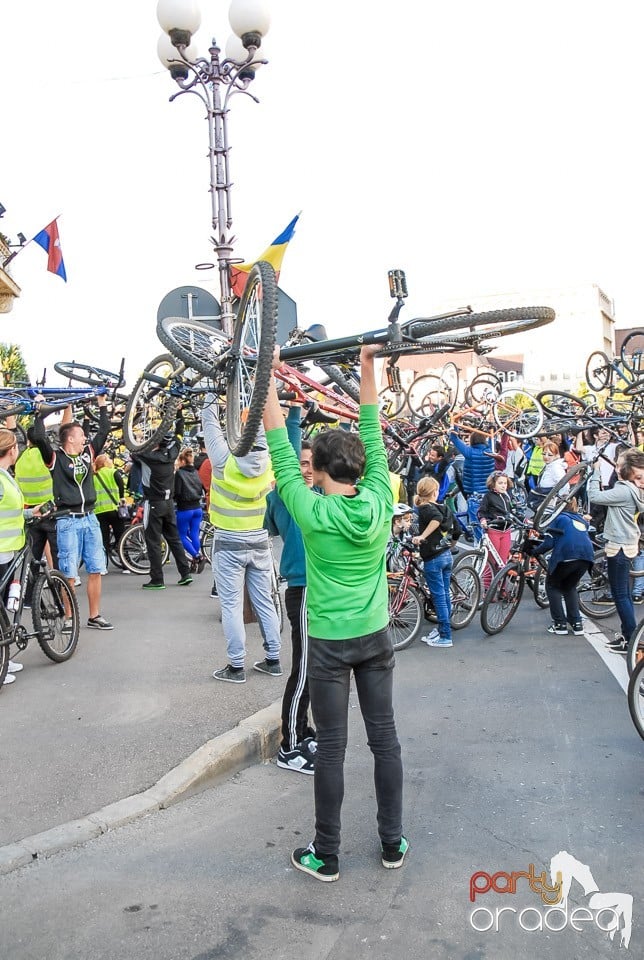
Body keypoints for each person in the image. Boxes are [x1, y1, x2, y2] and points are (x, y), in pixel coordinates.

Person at [263, 343, 406, 882]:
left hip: (326, 641)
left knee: (331, 750)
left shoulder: (308, 507)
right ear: (362, 469)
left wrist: (265, 375)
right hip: (374, 635)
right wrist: (367, 365)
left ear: (318, 470)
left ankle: (327, 855)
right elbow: (372, 426)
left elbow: (278, 439)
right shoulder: (380, 498)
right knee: (385, 739)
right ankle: (391, 844)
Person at [202, 394, 281, 683]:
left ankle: (236, 667)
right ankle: (273, 659)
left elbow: (210, 424)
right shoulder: (269, 461)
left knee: (232, 606)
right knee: (265, 602)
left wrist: (211, 394)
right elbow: (263, 429)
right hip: (260, 541)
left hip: (228, 542)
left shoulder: (225, 461)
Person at [31, 395, 114, 631]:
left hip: (90, 517)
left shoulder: (88, 452)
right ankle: (68, 616)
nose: (84, 437)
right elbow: (38, 436)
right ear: (69, 438)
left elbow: (105, 429)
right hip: (67, 519)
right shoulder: (55, 457)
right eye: (80, 434)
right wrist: (40, 411)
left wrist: (102, 404)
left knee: (96, 568)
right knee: (68, 572)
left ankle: (94, 615)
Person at [264, 410, 317, 774]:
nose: (308, 468)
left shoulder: (311, 498)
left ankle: (304, 730)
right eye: (302, 462)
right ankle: (290, 746)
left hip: (316, 590)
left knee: (314, 667)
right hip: (300, 590)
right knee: (302, 669)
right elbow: (285, 449)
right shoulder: (286, 496)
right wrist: (294, 415)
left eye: (313, 463)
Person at [0, 428, 48, 685]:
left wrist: (31, 515)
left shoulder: (6, 476)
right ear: (12, 450)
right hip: (1, 550)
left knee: (3, 607)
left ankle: (4, 657)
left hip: (8, 549)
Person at [587, 447, 644, 654]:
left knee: (620, 596)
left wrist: (595, 472)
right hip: (628, 545)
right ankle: (627, 635)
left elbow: (594, 496)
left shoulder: (623, 491)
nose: (616, 467)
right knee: (625, 595)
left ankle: (631, 639)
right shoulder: (635, 490)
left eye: (619, 465)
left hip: (618, 547)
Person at [130, 422, 194, 591]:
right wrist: (180, 416)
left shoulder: (147, 457)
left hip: (153, 503)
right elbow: (179, 435)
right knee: (174, 540)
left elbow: (132, 449)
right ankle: (185, 573)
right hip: (168, 504)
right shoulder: (172, 453)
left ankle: (157, 579)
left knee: (153, 542)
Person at [529, 500, 594, 635]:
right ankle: (577, 624)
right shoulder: (580, 520)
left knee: (553, 586)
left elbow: (549, 543)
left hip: (567, 556)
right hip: (586, 558)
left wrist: (534, 552)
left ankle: (560, 624)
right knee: (569, 587)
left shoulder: (558, 517)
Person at [13, 423, 59, 602]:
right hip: (49, 510)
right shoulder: (48, 455)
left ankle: (29, 597)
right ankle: (59, 596)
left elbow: (14, 435)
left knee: (32, 557)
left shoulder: (21, 455)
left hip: (30, 512)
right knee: (56, 557)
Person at [412, 476, 454, 648]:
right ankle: (443, 629)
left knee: (439, 598)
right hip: (446, 555)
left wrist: (422, 536)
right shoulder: (443, 507)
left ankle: (445, 636)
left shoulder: (425, 508)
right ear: (435, 492)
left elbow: (435, 519)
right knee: (444, 595)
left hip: (433, 558)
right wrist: (450, 544)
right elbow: (456, 529)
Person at [447, 428, 495, 541]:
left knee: (478, 529)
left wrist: (455, 423)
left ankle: (481, 553)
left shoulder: (469, 452)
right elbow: (494, 438)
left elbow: (453, 437)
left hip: (474, 495)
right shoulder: (491, 451)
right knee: (489, 526)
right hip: (489, 495)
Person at [477, 471, 514, 587]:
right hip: (494, 531)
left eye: (505, 483)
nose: (504, 486)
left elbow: (512, 512)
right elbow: (481, 511)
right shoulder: (488, 496)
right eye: (500, 483)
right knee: (491, 562)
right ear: (493, 484)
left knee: (502, 562)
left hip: (506, 532)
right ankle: (488, 589)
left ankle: (501, 587)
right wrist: (483, 520)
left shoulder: (507, 496)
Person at [174, 447, 206, 573]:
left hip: (185, 509)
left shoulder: (180, 474)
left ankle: (197, 556)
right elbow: (200, 489)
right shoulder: (196, 472)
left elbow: (177, 492)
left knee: (180, 535)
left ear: (182, 461)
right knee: (194, 534)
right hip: (197, 508)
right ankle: (195, 560)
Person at [93, 452, 127, 568]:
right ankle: (125, 564)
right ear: (105, 462)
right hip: (114, 509)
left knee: (103, 540)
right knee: (121, 537)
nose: (111, 461)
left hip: (99, 511)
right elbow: (121, 486)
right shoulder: (113, 472)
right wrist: (122, 498)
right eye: (108, 459)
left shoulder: (94, 476)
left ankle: (103, 566)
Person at [387, 502, 413, 572]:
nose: (410, 523)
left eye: (411, 520)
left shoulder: (404, 534)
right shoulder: (387, 536)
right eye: (407, 521)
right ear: (397, 522)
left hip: (399, 568)